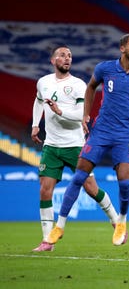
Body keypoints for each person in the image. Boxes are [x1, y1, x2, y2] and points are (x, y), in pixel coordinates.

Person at [46, 33, 129, 246]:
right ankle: (59, 226)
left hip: (124, 135)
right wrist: (86, 114)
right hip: (100, 132)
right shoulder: (104, 68)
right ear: (122, 48)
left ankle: (121, 222)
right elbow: (90, 88)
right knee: (79, 177)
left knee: (125, 182)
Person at [31, 46, 118, 252]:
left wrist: (59, 111)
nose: (66, 58)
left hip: (75, 145)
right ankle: (47, 241)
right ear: (53, 60)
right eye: (62, 55)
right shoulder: (43, 82)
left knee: (91, 189)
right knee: (45, 190)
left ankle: (116, 220)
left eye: (69, 55)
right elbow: (38, 100)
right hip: (51, 145)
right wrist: (36, 123)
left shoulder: (78, 85)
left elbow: (81, 114)